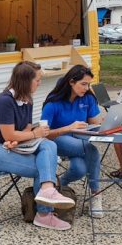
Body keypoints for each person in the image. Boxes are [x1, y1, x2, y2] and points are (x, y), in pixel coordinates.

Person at [0, 61, 75, 231]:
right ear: (25, 80)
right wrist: (33, 134)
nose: (39, 83)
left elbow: (24, 128)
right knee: (44, 167)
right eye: (37, 80)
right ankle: (44, 214)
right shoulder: (5, 101)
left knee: (49, 146)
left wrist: (21, 138)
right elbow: (8, 135)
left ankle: (46, 190)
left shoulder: (28, 99)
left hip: (13, 144)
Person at [41, 65, 103, 218]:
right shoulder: (52, 103)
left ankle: (61, 183)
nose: (86, 88)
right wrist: (69, 128)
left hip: (81, 140)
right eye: (83, 84)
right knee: (92, 151)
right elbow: (43, 135)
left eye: (88, 84)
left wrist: (106, 125)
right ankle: (95, 193)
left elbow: (94, 124)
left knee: (80, 169)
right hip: (58, 140)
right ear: (71, 82)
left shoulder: (87, 98)